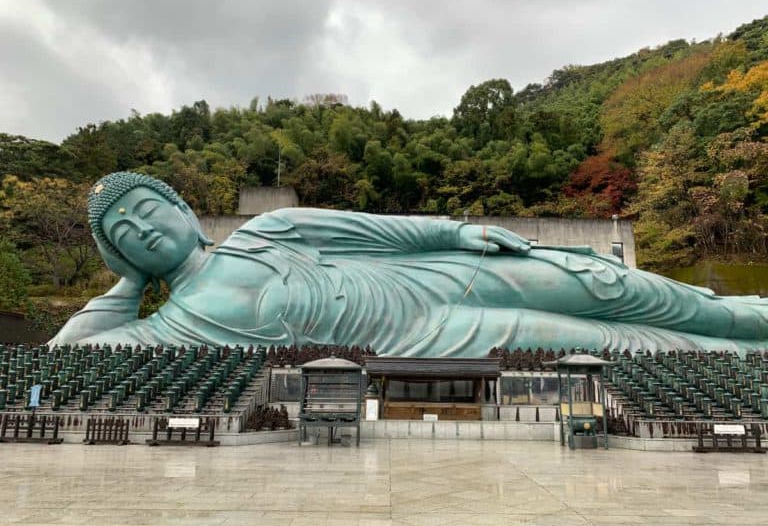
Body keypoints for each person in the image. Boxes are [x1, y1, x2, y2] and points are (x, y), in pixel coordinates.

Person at [50, 172, 768, 356]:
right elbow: (69, 356)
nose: (143, 228)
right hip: (431, 337)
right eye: (124, 234)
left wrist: (459, 230)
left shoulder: (267, 228)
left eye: (148, 209)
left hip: (434, 276)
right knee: (621, 343)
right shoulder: (179, 323)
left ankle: (747, 315)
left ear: (183, 208)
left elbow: (382, 232)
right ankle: (748, 353)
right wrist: (131, 283)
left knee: (614, 285)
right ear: (119, 253)